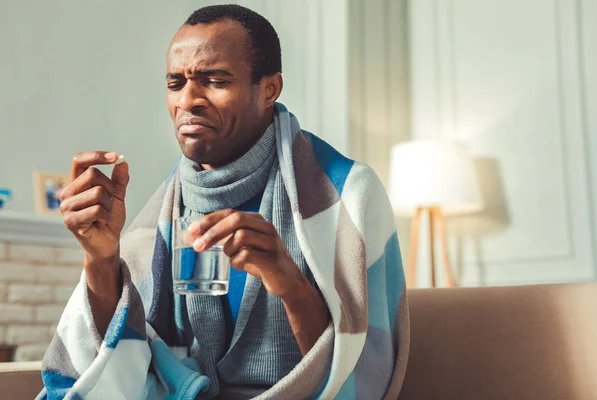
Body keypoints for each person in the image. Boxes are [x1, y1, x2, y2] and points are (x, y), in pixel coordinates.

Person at [38, 5, 409, 400]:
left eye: (214, 80)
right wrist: (101, 257)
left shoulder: (349, 194)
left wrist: (291, 284)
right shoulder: (161, 215)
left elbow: (361, 376)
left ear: (269, 89)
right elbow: (122, 369)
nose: (188, 100)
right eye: (175, 83)